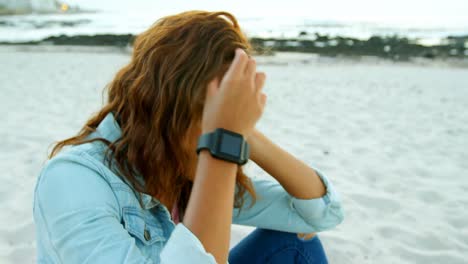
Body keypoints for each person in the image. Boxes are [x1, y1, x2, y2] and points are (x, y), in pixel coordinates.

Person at [33, 10, 344, 264]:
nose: (217, 133)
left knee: (292, 243)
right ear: (167, 111)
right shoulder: (73, 180)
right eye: (212, 117)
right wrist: (222, 143)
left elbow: (320, 214)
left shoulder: (183, 171)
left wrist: (242, 133)